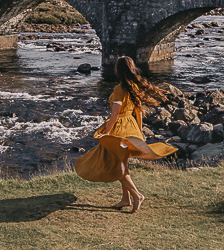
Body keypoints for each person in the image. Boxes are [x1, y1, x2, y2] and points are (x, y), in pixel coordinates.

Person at [74, 55, 178, 213]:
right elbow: (139, 112)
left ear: (118, 70)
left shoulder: (118, 89)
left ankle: (137, 195)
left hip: (119, 129)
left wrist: (106, 134)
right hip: (132, 127)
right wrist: (139, 132)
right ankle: (125, 199)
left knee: (116, 165)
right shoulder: (134, 87)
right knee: (121, 163)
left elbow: (115, 114)